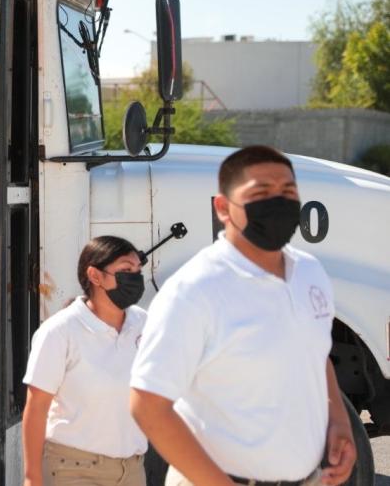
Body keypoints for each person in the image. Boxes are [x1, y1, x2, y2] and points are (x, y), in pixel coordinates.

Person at [129, 145, 356, 486]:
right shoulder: (195, 290)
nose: (278, 202)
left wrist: (339, 421)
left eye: (288, 192)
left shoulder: (309, 272)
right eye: (261, 193)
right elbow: (147, 405)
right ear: (223, 208)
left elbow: (315, 350)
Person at [22, 236, 148, 486]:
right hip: (72, 470)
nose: (135, 278)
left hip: (132, 471)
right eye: (126, 269)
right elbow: (36, 408)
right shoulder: (60, 331)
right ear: (95, 275)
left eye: (137, 270)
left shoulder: (144, 323)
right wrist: (32, 477)